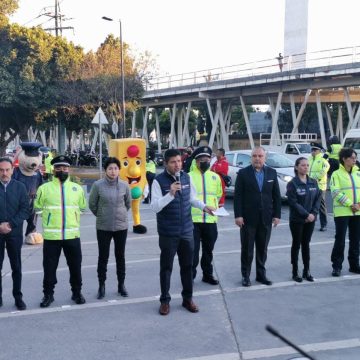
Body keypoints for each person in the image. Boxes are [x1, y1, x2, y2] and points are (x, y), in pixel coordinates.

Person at [150, 148, 214, 315]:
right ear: (165, 164)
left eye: (179, 161)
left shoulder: (186, 177)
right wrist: (170, 193)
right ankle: (165, 301)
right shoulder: (158, 181)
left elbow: (192, 198)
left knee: (187, 266)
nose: (177, 165)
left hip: (186, 230)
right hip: (168, 233)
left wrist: (204, 207)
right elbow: (155, 207)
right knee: (166, 268)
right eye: (173, 162)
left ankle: (188, 299)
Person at [34, 155, 87, 308]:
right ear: (53, 169)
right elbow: (37, 208)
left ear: (68, 169)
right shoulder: (44, 188)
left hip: (72, 236)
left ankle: (77, 293)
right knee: (49, 269)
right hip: (52, 237)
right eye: (58, 168)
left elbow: (82, 208)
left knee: (75, 267)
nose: (62, 170)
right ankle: (48, 295)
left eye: (64, 168)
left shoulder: (76, 188)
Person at [234, 147, 281, 287]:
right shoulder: (243, 173)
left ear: (265, 158)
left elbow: (276, 196)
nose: (257, 158)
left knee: (262, 249)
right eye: (254, 156)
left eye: (260, 156)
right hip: (248, 219)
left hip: (266, 218)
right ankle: (246, 276)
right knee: (247, 249)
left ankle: (261, 275)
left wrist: (277, 215)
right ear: (251, 158)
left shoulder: (272, 173)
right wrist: (238, 215)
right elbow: (238, 196)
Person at [89, 157, 131, 299]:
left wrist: (120, 214)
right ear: (105, 170)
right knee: (103, 257)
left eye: (115, 168)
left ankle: (121, 285)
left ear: (119, 170)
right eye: (110, 168)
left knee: (120, 257)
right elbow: (92, 204)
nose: (113, 171)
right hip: (103, 227)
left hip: (121, 226)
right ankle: (101, 285)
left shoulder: (125, 185)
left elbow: (128, 204)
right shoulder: (97, 185)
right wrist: (102, 214)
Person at [189, 146, 223, 285]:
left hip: (210, 220)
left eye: (207, 159)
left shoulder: (215, 177)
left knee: (208, 250)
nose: (204, 162)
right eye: (201, 160)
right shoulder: (189, 177)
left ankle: (207, 274)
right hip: (193, 220)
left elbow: (218, 195)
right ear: (196, 161)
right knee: (193, 252)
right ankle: (190, 275)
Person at [0, 157, 30, 310]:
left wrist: (10, 224)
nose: (4, 173)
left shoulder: (20, 187)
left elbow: (25, 209)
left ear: (12, 170)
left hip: (14, 232)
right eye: (1, 170)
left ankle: (18, 297)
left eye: (7, 170)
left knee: (16, 267)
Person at [286, 157, 321, 283]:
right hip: (297, 220)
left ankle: (307, 271)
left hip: (310, 219)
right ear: (296, 167)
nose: (305, 167)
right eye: (302, 165)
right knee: (296, 244)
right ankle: (295, 271)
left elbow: (318, 199)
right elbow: (293, 202)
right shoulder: (292, 184)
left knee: (306, 244)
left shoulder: (313, 182)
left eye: (307, 165)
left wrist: (313, 214)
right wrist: (306, 215)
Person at [330, 148, 360, 277]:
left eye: (355, 157)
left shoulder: (358, 173)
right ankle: (337, 266)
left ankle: (354, 265)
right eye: (352, 158)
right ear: (344, 159)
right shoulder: (336, 174)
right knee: (340, 240)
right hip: (342, 213)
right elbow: (335, 192)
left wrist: (358, 205)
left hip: (357, 212)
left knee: (356, 240)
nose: (355, 160)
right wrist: (350, 204)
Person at [308, 143, 330, 231]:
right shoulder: (309, 159)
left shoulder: (323, 159)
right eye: (312, 150)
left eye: (314, 150)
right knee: (310, 205)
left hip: (320, 186)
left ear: (319, 151)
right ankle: (310, 222)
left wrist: (317, 177)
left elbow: (326, 168)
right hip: (310, 185)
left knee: (321, 206)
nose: (312, 152)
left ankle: (323, 224)